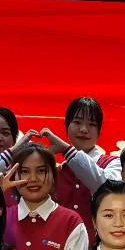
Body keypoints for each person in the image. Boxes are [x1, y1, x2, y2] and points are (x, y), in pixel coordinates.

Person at [40, 96, 116, 236]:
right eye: (77, 122)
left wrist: (66, 150)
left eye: (92, 124)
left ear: (99, 131)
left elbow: (105, 187)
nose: (84, 129)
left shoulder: (112, 164)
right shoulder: (56, 172)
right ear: (66, 126)